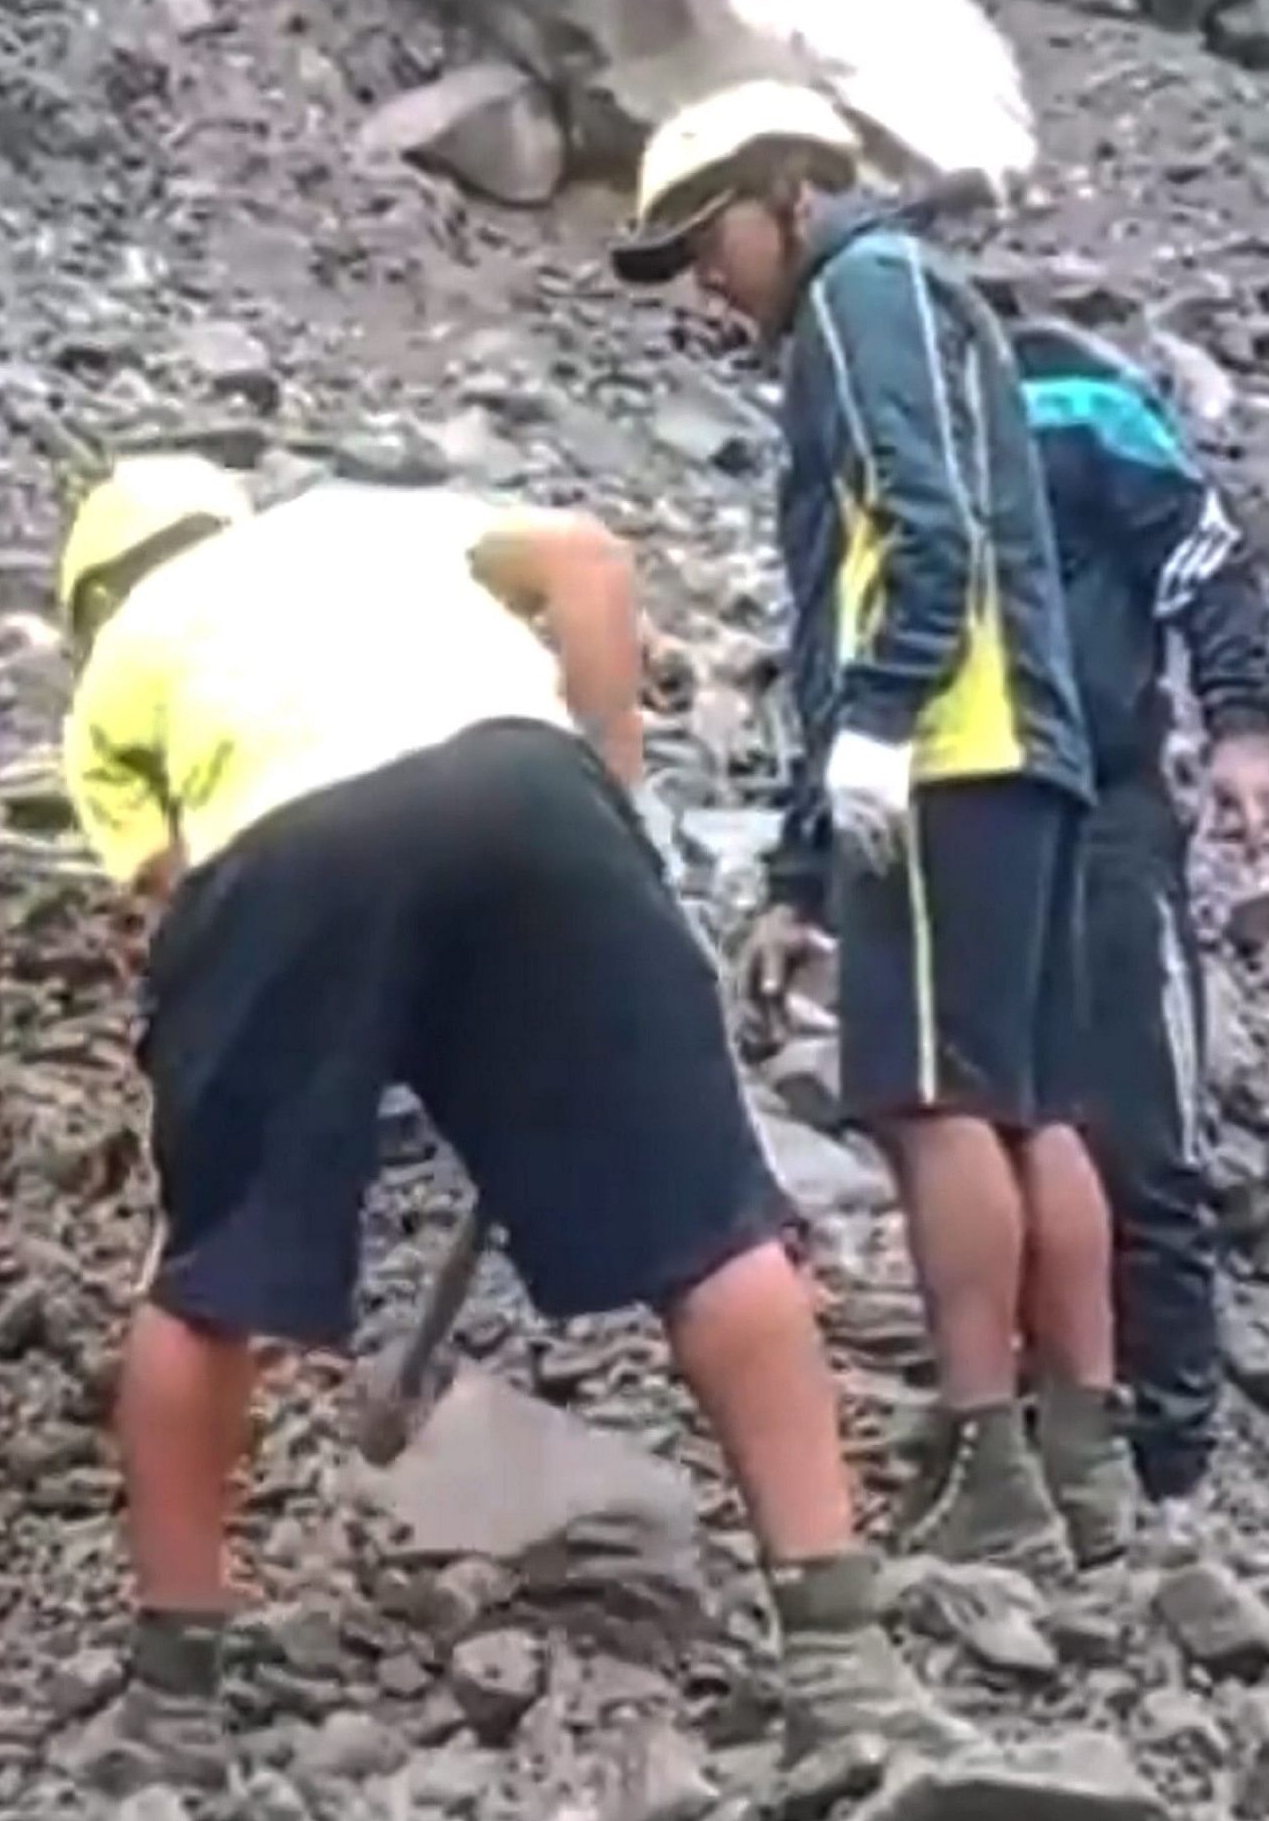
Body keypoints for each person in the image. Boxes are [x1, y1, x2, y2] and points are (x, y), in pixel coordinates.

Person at [50, 457, 972, 1791]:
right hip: (532, 794)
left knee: (206, 1281)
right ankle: (842, 1663)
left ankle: (175, 1702)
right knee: (716, 1227)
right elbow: (592, 564)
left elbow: (186, 896)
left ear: (92, 597)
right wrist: (606, 786)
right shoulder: (365, 517)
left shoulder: (111, 677)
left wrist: (339, 1033)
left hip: (278, 853)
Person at [612, 81, 1143, 1578]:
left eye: (706, 237)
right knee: (1031, 1102)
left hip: (945, 757)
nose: (707, 282)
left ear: (786, 188)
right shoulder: (924, 298)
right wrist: (794, 869)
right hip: (1023, 749)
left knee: (933, 1105)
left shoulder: (862, 294)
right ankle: (1083, 1463)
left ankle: (991, 1459)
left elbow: (923, 531)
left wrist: (882, 726)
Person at [1010, 312, 1269, 1526]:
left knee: (1138, 1126)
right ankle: (1041, 1419)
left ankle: (1171, 1462)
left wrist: (1241, 725)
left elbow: (1204, 557)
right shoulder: (860, 414)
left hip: (1101, 805)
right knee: (998, 1127)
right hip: (956, 820)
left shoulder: (1069, 398)